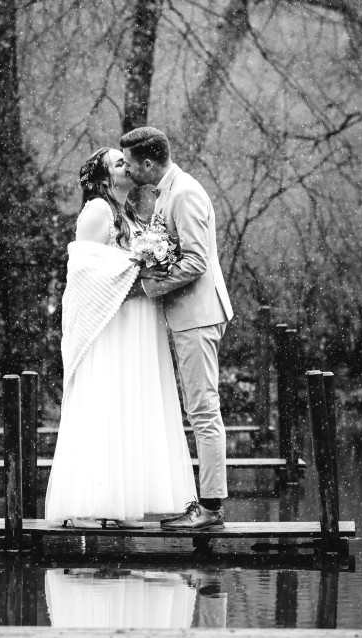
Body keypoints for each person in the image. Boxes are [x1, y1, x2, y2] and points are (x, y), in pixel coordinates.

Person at [45, 146, 196, 528]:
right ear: (105, 177)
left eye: (126, 161)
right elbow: (84, 273)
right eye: (118, 163)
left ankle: (121, 504)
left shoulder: (130, 212)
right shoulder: (98, 211)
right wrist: (136, 270)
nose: (126, 166)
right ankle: (87, 506)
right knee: (105, 404)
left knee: (129, 408)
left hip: (137, 325)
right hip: (110, 325)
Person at [120, 126, 234, 531]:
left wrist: (152, 285)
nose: (129, 171)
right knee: (200, 409)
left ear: (148, 162)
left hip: (198, 315)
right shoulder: (169, 191)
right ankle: (206, 505)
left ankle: (211, 509)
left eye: (130, 163)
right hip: (189, 314)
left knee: (203, 411)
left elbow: (198, 261)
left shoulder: (184, 193)